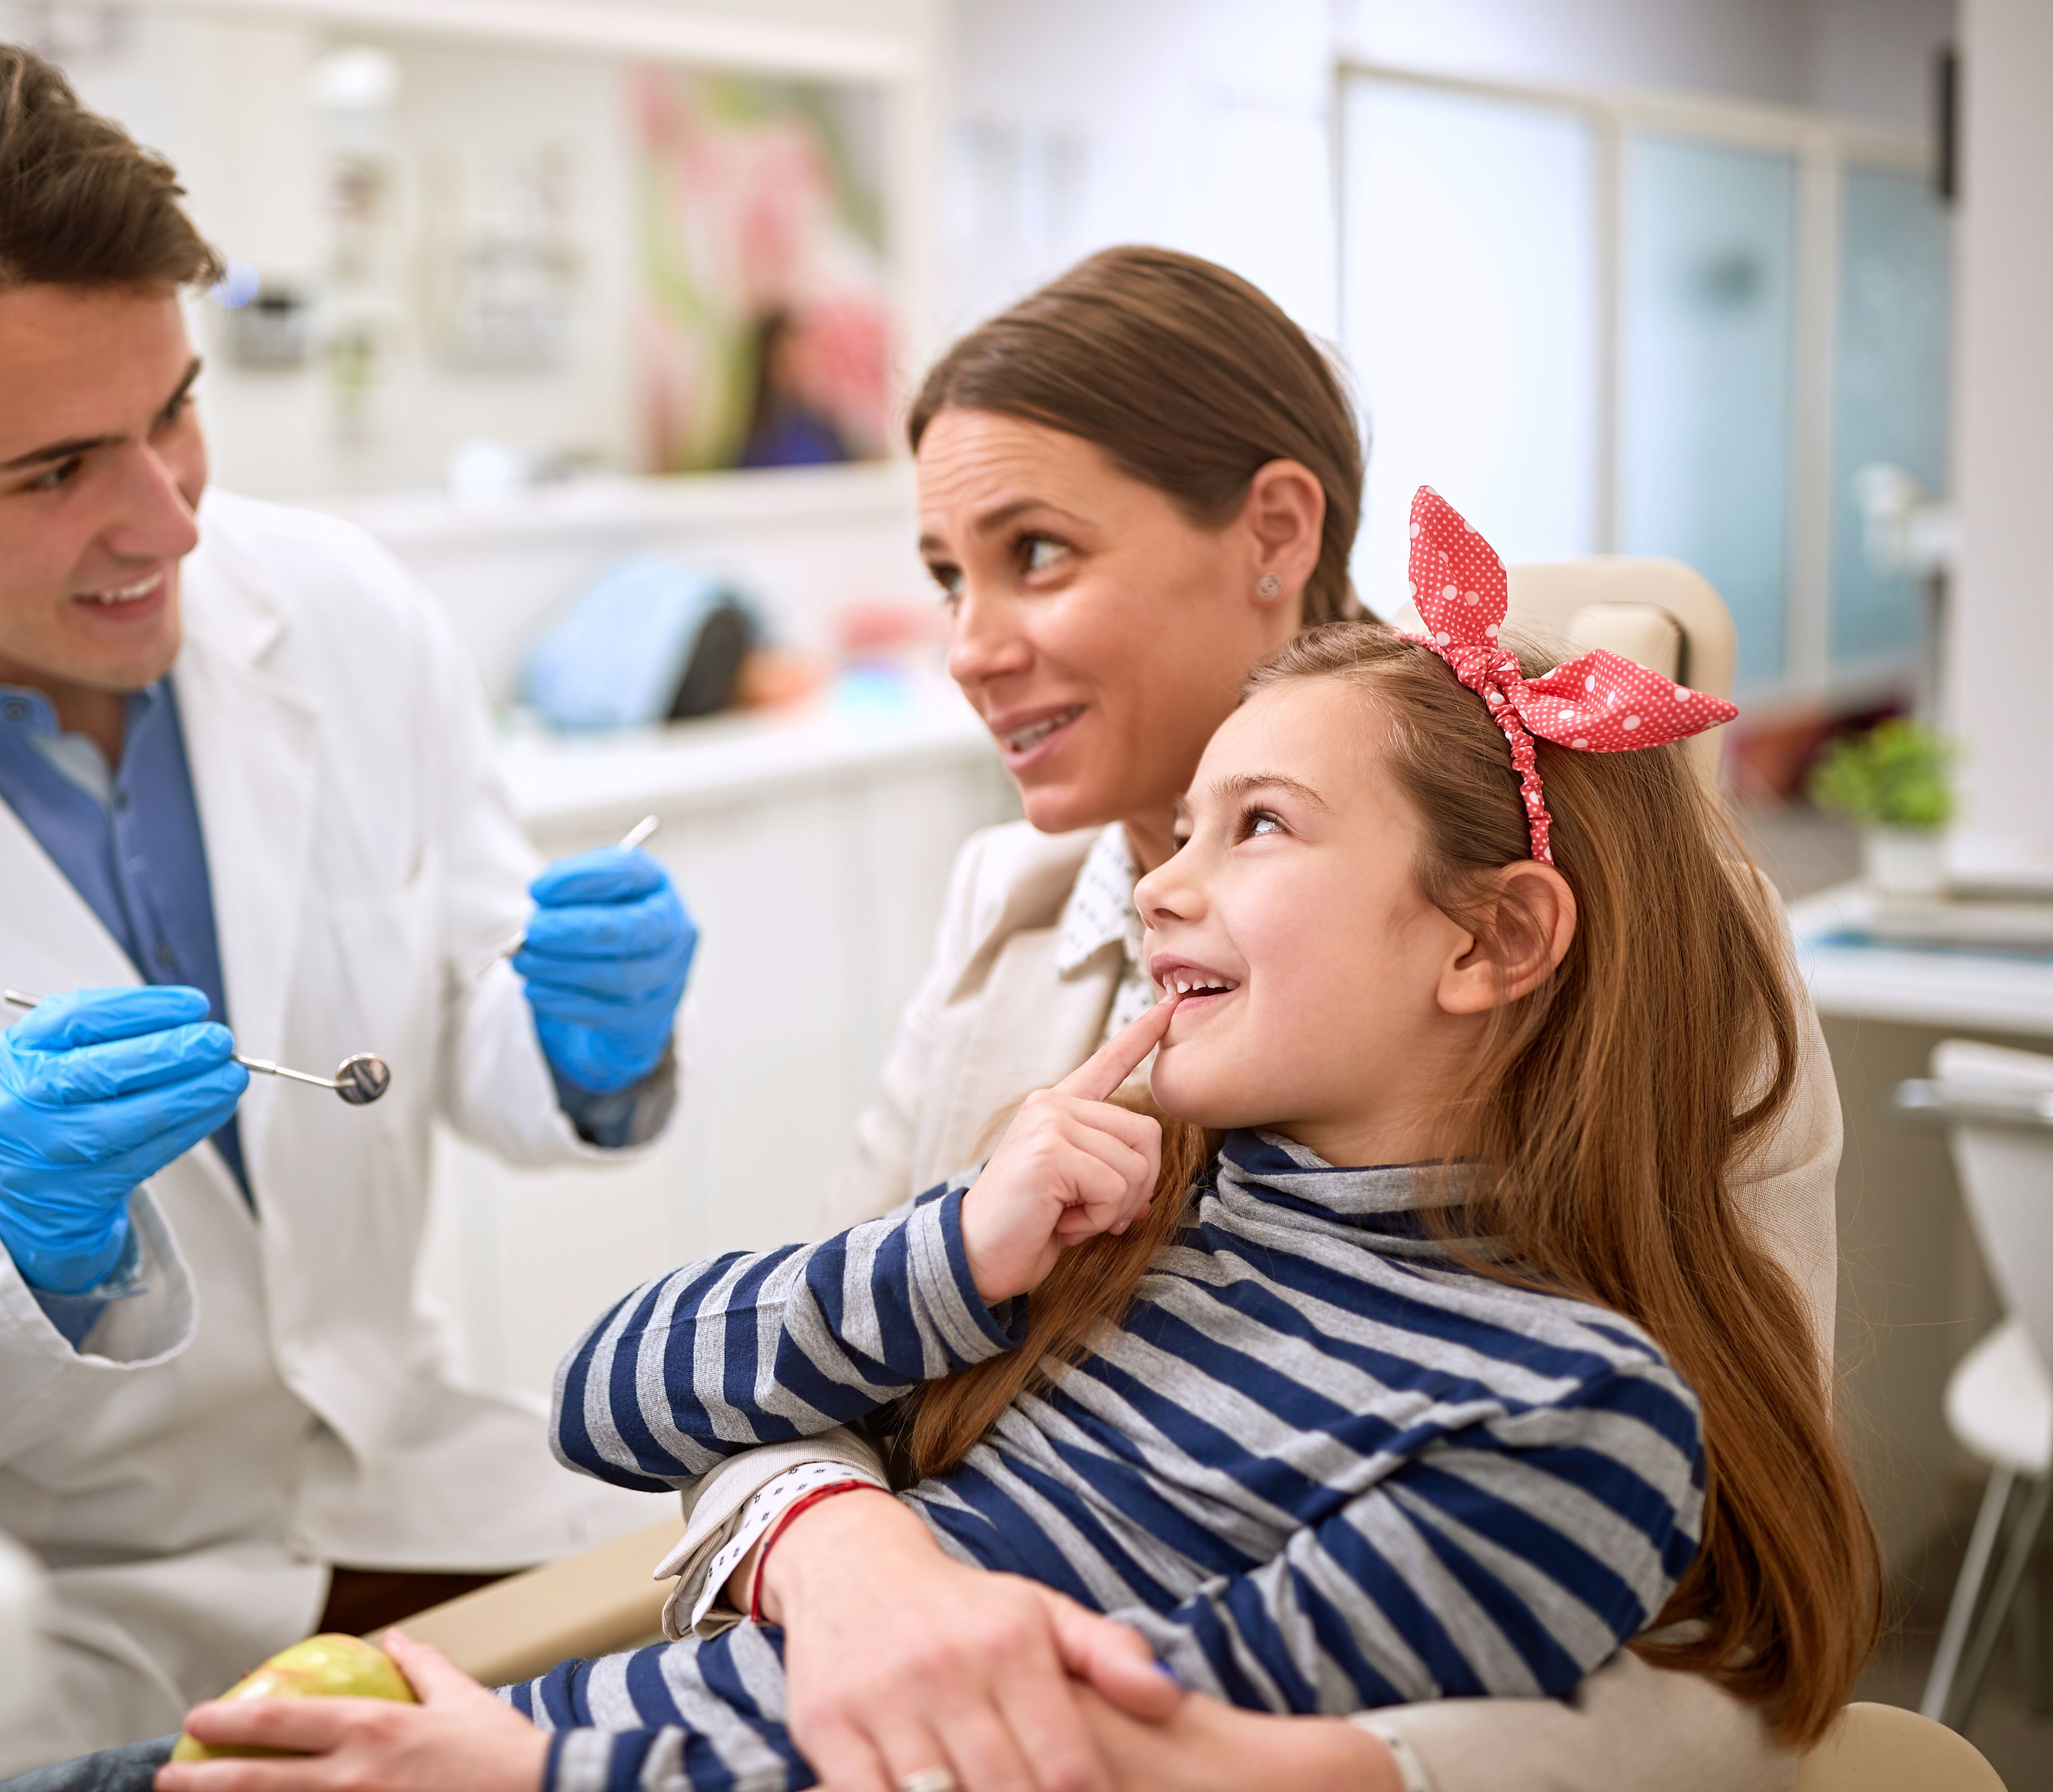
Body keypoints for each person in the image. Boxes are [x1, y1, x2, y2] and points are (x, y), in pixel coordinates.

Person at [133, 496, 1880, 1790]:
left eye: (1254, 826)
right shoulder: (1132, 1223)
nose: (1164, 886)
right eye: (1180, 829)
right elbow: (618, 1400)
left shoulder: (1558, 1409)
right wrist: (957, 1245)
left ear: (1492, 942)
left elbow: (1089, 1760)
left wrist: (532, 1780)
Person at [0, 29, 691, 1786]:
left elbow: (468, 1009)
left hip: (420, 1491)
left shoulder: (347, 612)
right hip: (60, 1616)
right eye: (56, 469)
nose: (166, 517)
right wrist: (4, 1246)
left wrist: (579, 1046)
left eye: (173, 413)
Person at [623, 247, 1849, 1792]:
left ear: (1275, 530)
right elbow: (808, 1349)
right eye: (948, 577)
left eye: (1040, 555)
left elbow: (1731, 1614)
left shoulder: (1649, 954)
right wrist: (844, 1559)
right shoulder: (1007, 903)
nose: (969, 648)